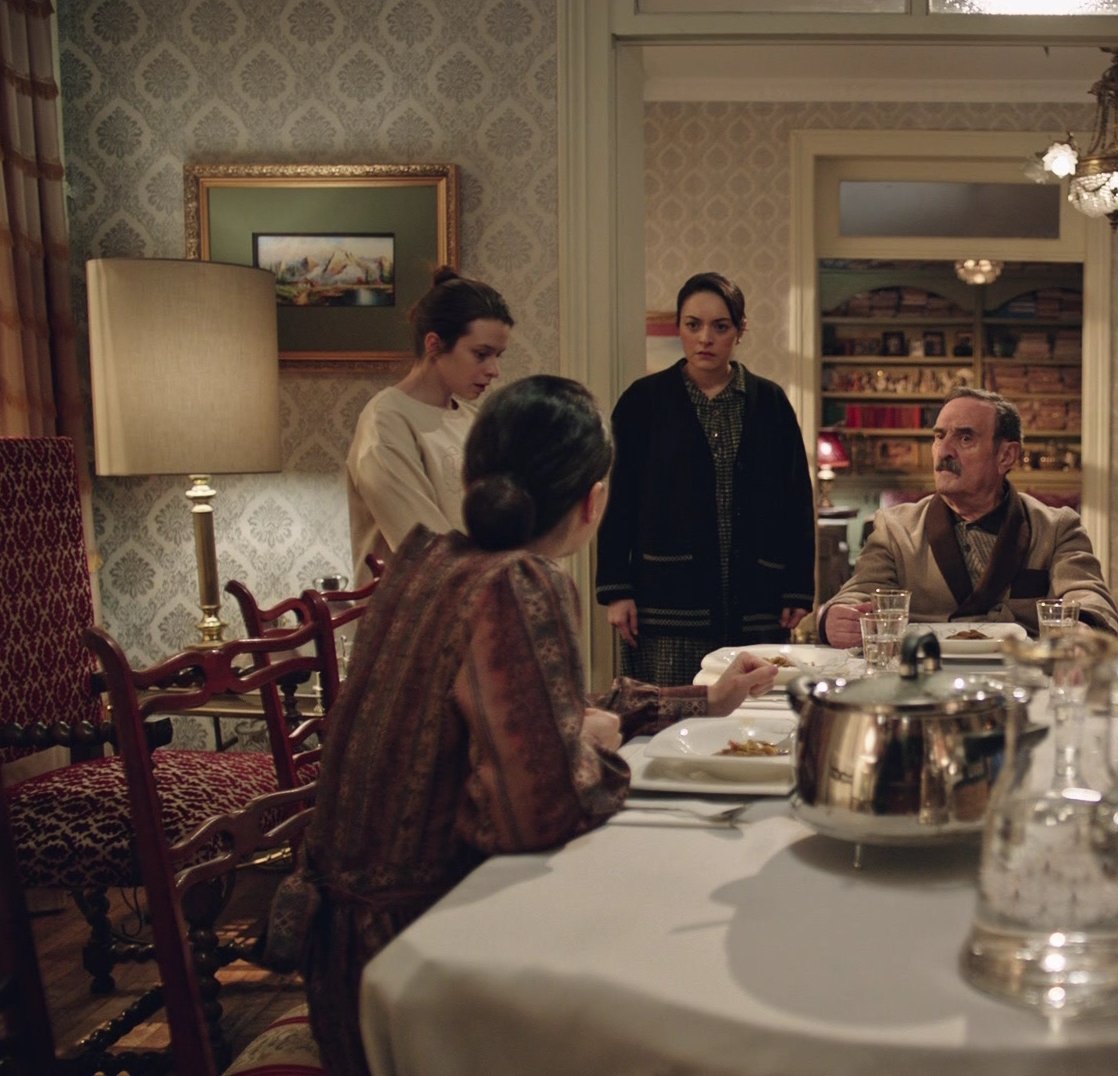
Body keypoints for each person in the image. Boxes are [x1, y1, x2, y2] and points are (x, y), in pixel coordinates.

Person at [287, 376, 777, 1076]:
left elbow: (539, 710)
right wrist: (589, 746)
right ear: (593, 501)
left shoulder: (425, 561)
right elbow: (539, 815)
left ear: (470, 479)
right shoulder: (518, 582)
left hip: (337, 947)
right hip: (415, 966)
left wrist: (704, 700)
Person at [596, 273, 815, 686]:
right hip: (667, 601)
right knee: (667, 710)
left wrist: (797, 588)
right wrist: (616, 589)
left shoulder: (770, 403)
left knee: (751, 712)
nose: (705, 339)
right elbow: (618, 499)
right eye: (693, 325)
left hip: (756, 599)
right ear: (678, 326)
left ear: (740, 330)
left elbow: (796, 501)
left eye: (720, 326)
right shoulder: (643, 402)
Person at [819, 386, 1118, 647]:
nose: (944, 451)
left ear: (1006, 456)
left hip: (1022, 674)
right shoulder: (894, 529)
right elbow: (859, 593)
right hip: (926, 676)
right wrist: (834, 619)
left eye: (965, 439)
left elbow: (1088, 595)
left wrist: (1083, 628)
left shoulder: (1057, 528)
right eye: (939, 436)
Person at [345, 266, 509, 583]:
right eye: (481, 354)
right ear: (434, 344)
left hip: (477, 603)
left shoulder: (474, 420)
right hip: (411, 611)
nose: (494, 370)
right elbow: (426, 552)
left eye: (497, 356)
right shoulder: (386, 420)